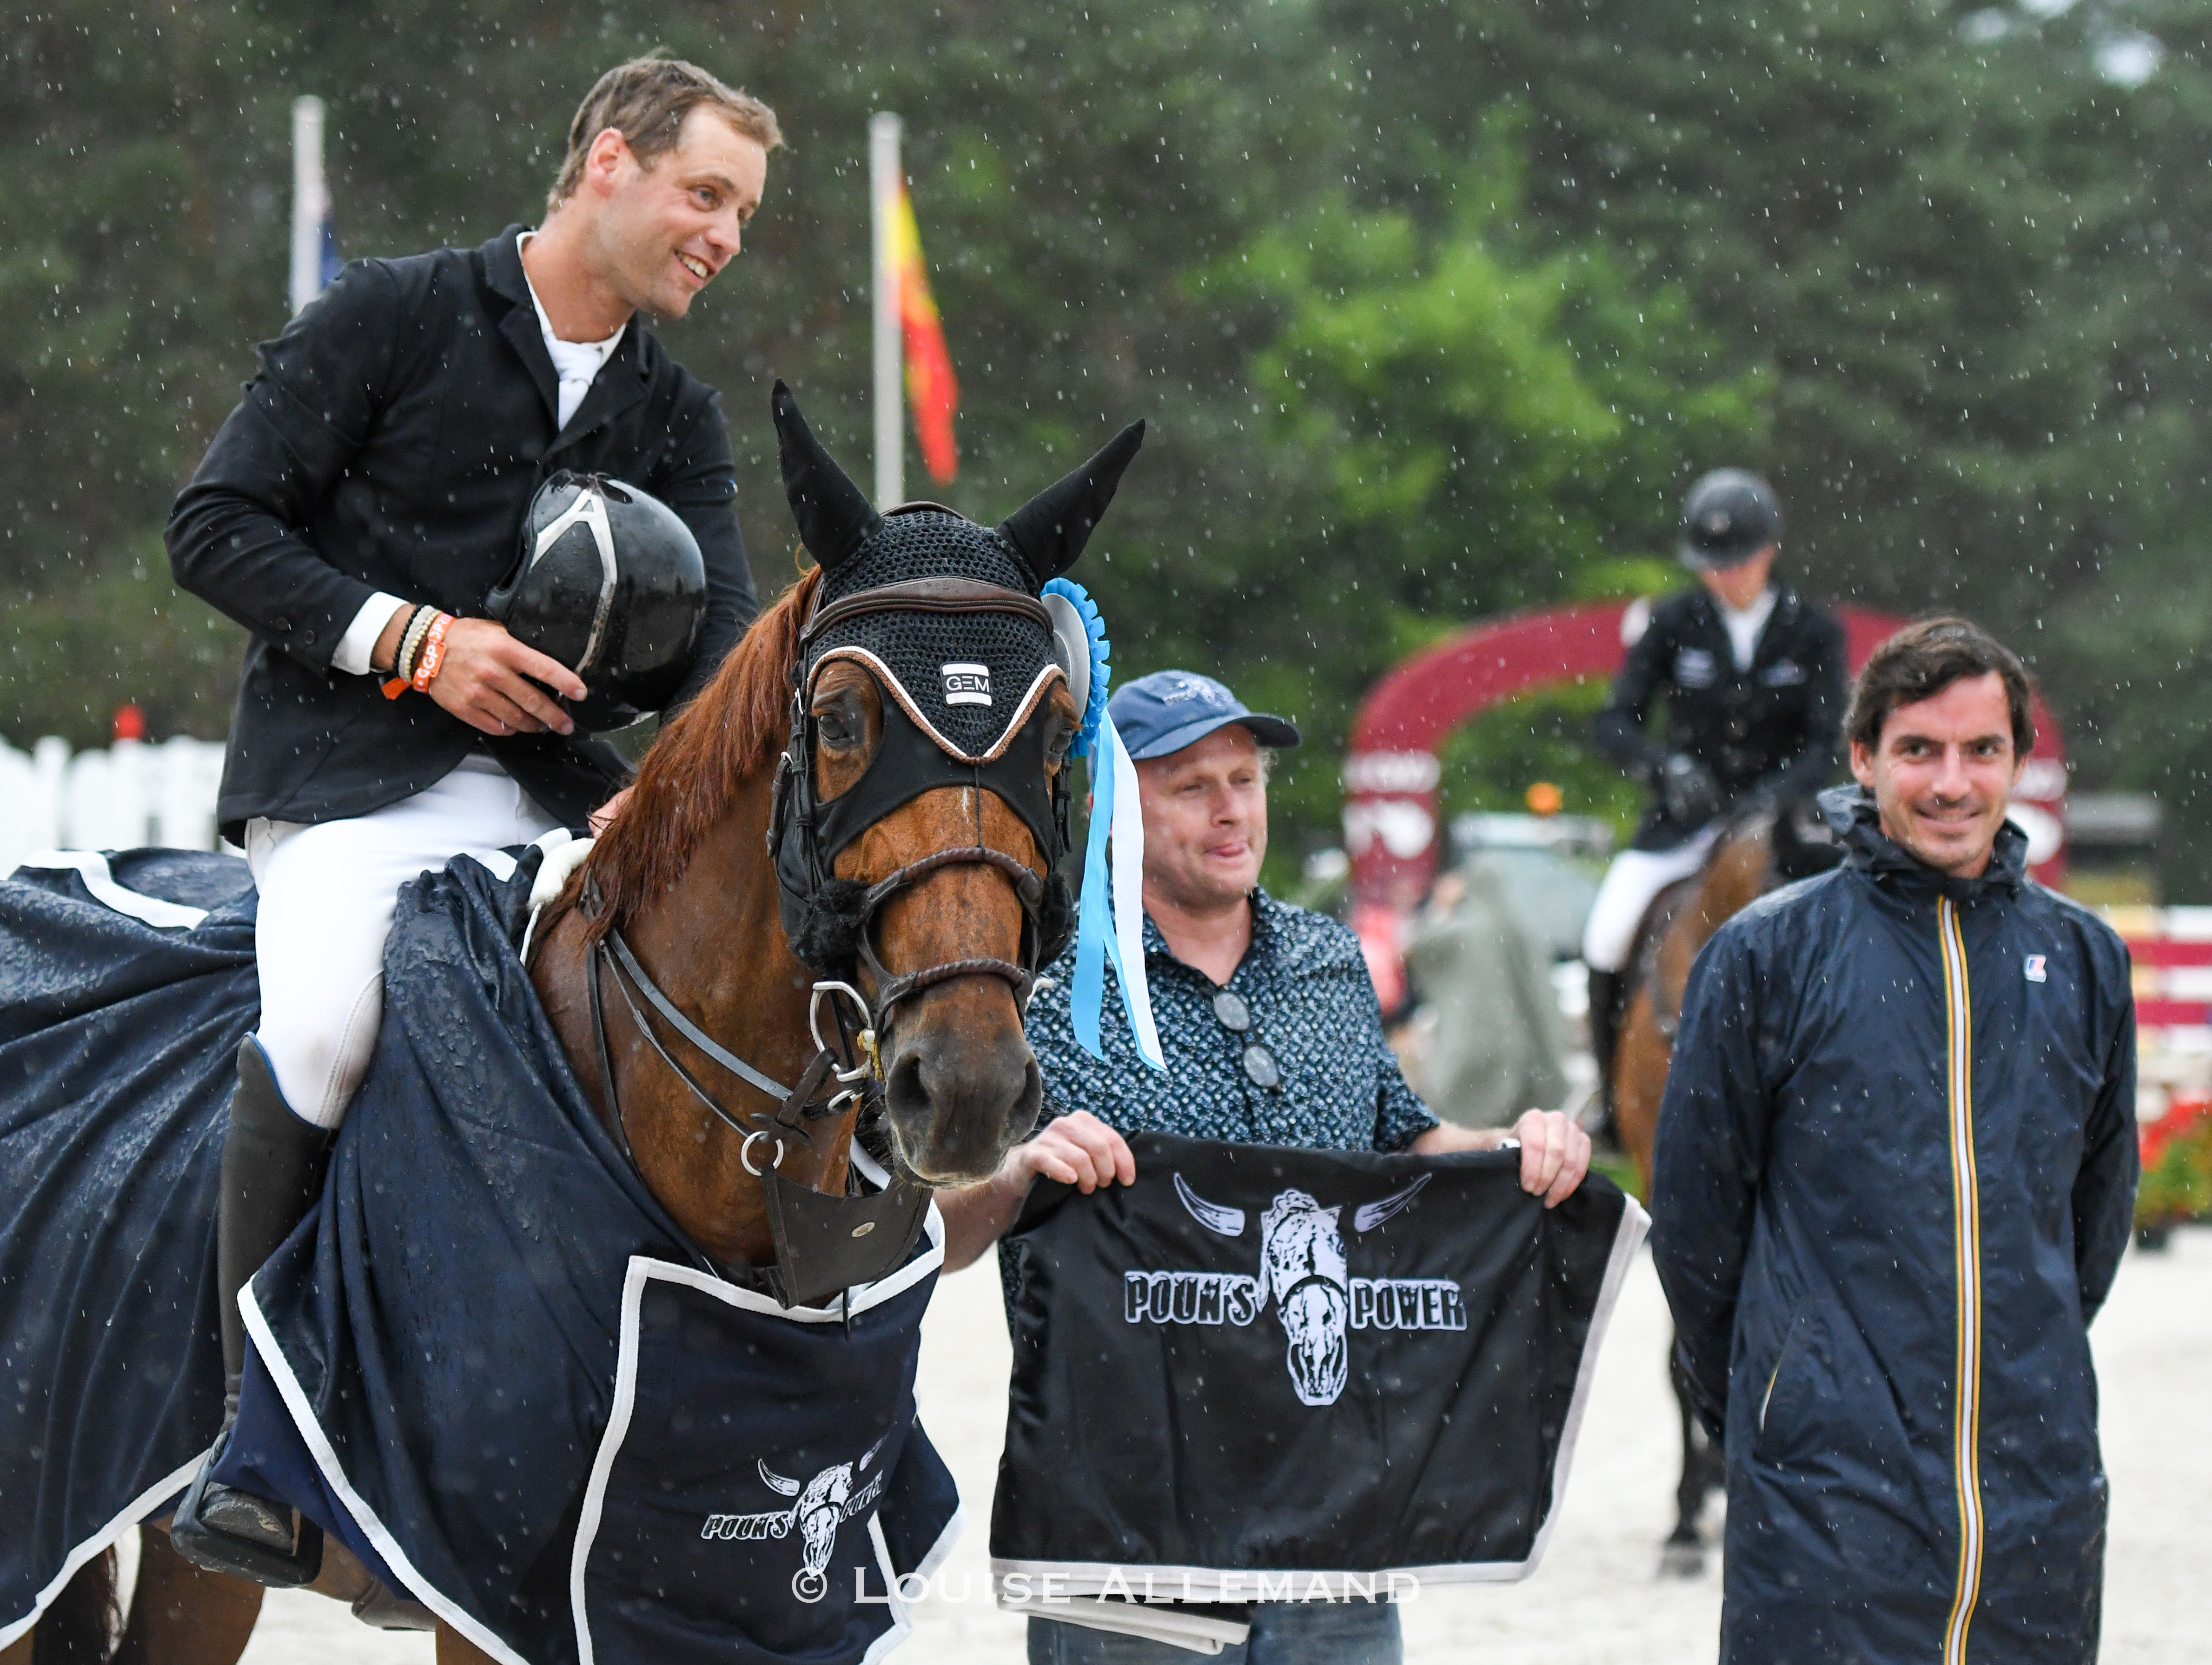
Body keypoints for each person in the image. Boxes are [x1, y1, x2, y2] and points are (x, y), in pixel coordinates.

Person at [161, 56, 777, 1578]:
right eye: (706, 195)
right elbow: (214, 524)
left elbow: (724, 652)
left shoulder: (673, 413)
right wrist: (412, 638)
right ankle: (260, 1449)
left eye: (745, 215)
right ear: (608, 166)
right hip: (347, 786)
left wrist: (683, 782)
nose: (725, 235)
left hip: (562, 802)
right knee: (319, 1028)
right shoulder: (393, 314)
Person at [939, 669, 1591, 1665]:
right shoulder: (1038, 988)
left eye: (1245, 779)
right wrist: (1022, 1168)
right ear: (1117, 810)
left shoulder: (1331, 961)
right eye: (1192, 786)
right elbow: (934, 1236)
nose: (1233, 809)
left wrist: (1515, 1151)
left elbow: (1403, 1143)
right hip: (1126, 1537)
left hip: (1333, 1522)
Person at [1650, 618, 2137, 1664]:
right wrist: (1785, 1406)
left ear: (2017, 761)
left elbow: (2092, 1224)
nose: (1952, 783)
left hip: (2036, 1498)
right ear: (1865, 758)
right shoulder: (1762, 958)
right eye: (1919, 750)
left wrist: (2023, 1368)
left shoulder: (2087, 960)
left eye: (1981, 751)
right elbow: (1695, 1232)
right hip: (1827, 1506)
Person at [1583, 468, 1846, 1110]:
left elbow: (1827, 740)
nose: (1723, 575)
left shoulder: (1813, 631)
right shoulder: (1672, 622)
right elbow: (1614, 721)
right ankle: (1612, 1094)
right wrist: (1663, 767)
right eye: (1713, 564)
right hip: (1683, 823)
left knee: (1842, 931)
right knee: (1606, 934)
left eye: (1737, 561)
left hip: (1779, 828)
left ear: (1768, 551)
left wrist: (1775, 795)